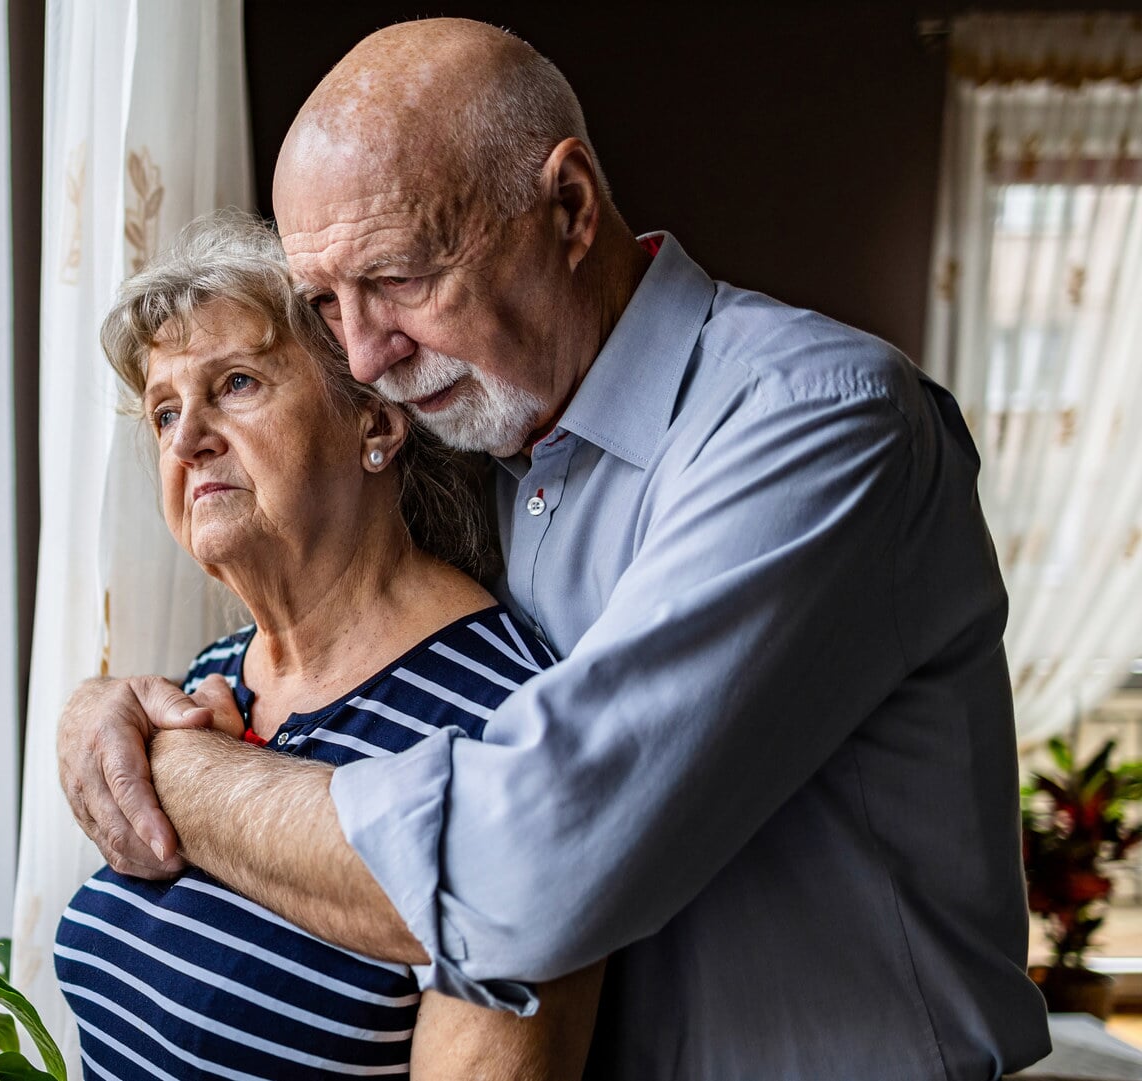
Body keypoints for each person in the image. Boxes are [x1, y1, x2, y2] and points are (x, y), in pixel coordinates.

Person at [57, 18, 1052, 1080]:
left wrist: (169, 771)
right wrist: (96, 707)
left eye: (396, 278)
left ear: (570, 209)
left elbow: (527, 868)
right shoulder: (491, 431)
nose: (363, 355)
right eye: (322, 305)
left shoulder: (815, 419)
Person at [54, 211, 602, 1080]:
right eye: (164, 412)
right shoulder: (209, 679)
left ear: (375, 426)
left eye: (235, 383)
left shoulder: (508, 721)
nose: (187, 438)